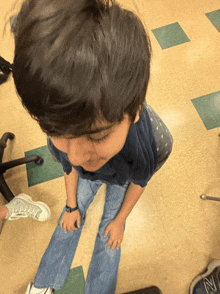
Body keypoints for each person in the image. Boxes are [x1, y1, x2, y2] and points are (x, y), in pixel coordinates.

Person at [10, 0, 174, 293]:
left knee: (110, 233)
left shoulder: (153, 144)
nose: (75, 155)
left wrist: (121, 221)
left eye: (96, 135)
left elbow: (140, 180)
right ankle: (44, 285)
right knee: (69, 217)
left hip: (123, 173)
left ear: (135, 110)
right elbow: (69, 165)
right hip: (110, 165)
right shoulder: (63, 123)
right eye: (54, 130)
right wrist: (71, 204)